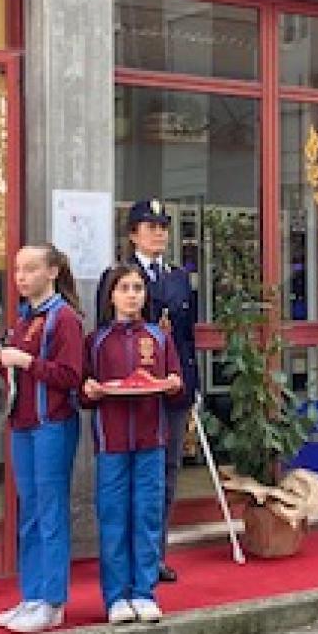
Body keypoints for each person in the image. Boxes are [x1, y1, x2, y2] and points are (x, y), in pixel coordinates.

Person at [0, 243, 86, 634]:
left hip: (52, 424)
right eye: (17, 270)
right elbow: (21, 375)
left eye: (31, 269)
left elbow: (70, 375)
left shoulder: (63, 318)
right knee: (29, 513)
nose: (22, 277)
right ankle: (32, 595)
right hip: (23, 423)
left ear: (52, 272)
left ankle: (52, 600)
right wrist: (4, 362)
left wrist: (25, 361)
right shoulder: (23, 318)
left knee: (50, 512)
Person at [84, 262, 184, 626]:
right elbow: (86, 392)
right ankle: (116, 597)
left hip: (151, 439)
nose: (131, 295)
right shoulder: (96, 341)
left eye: (137, 288)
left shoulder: (159, 338)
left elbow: (175, 387)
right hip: (111, 442)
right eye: (124, 288)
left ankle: (145, 592)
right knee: (113, 518)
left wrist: (173, 384)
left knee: (147, 515)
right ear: (110, 295)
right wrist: (91, 391)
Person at [125, 198, 198, 584]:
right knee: (138, 473)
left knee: (167, 475)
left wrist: (192, 388)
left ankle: (157, 555)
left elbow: (187, 338)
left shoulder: (178, 277)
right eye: (150, 226)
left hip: (173, 389)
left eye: (162, 227)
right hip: (136, 392)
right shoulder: (122, 276)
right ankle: (133, 557)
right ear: (133, 233)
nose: (158, 234)